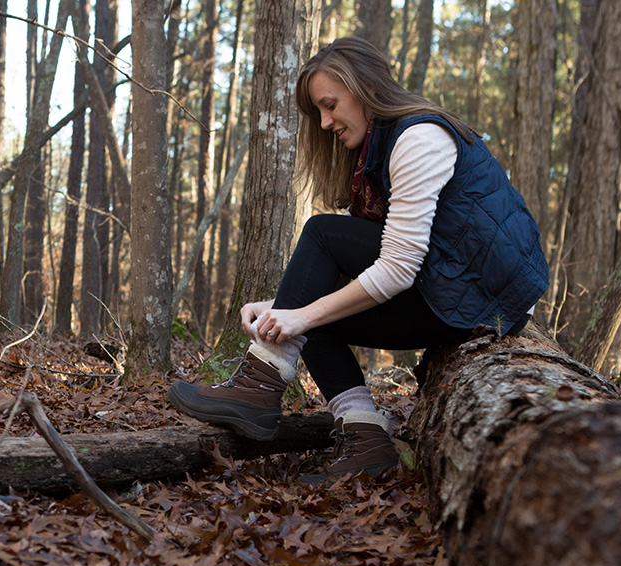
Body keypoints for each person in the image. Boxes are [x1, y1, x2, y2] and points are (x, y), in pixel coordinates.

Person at [167, 36, 549, 480]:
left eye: (330, 105)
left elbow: (399, 267)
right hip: (458, 289)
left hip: (482, 299)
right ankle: (366, 441)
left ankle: (259, 383)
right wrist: (280, 308)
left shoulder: (419, 137)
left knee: (322, 235)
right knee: (316, 308)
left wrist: (298, 316)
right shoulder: (378, 151)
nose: (326, 122)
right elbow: (358, 262)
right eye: (320, 111)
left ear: (365, 86)